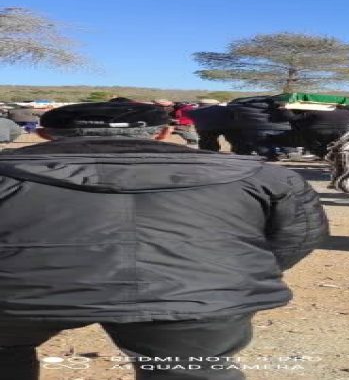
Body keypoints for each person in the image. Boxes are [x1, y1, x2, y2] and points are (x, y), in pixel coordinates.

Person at [0, 101, 328, 380]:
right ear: (165, 133)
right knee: (190, 371)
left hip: (16, 294)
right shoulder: (263, 175)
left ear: (44, 134)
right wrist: (232, 274)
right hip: (197, 294)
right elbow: (298, 236)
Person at [227, 96, 293, 161]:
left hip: (257, 129)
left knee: (261, 144)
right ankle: (290, 152)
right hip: (281, 128)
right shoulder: (277, 106)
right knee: (283, 142)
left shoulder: (238, 107)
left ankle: (272, 155)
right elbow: (288, 117)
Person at [281, 105, 349, 159]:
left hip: (318, 132)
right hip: (341, 133)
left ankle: (324, 156)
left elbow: (293, 118)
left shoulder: (316, 112)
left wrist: (285, 109)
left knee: (315, 145)